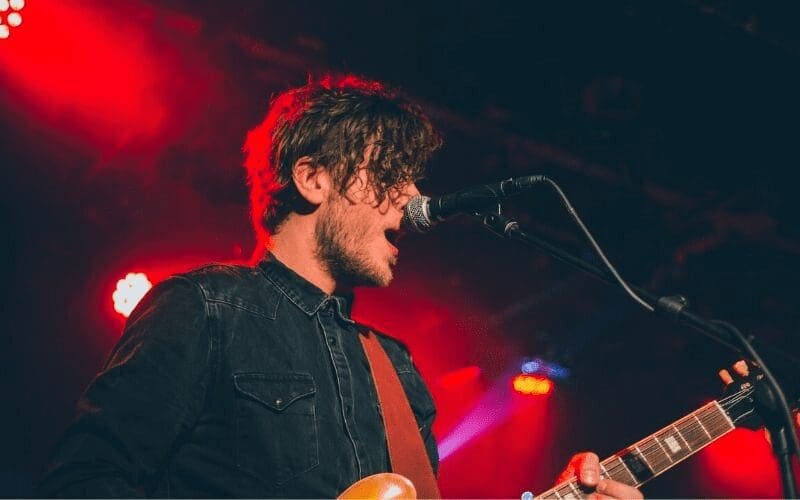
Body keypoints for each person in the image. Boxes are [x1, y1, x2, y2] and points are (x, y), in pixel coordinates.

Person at [38, 75, 642, 498]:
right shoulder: (206, 307)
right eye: (388, 176)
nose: (409, 199)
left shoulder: (396, 368)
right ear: (313, 179)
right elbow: (83, 480)